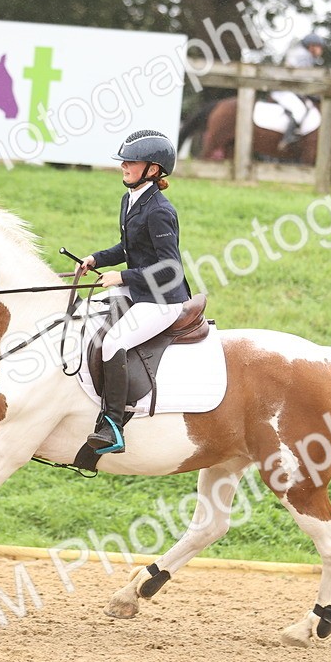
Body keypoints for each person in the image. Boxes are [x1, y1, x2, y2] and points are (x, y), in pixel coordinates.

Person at [79, 129, 191, 455]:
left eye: (131, 162)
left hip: (163, 299)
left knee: (114, 342)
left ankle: (113, 424)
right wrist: (96, 259)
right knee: (86, 313)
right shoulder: (130, 199)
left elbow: (170, 268)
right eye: (124, 161)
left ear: (153, 169)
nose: (123, 166)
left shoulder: (160, 210)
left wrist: (122, 276)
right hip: (139, 290)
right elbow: (129, 247)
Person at [273, 33, 326, 151]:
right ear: (311, 46)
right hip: (285, 91)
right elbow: (303, 80)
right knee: (300, 110)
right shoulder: (303, 56)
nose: (320, 50)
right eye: (319, 47)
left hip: (292, 90)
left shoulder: (304, 55)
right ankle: (286, 139)